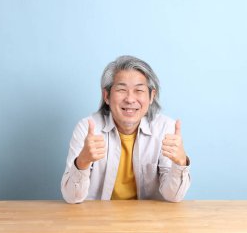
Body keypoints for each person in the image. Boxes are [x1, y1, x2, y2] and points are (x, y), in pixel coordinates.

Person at [61, 55, 191, 203]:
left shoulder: (165, 129)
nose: (130, 99)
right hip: (98, 221)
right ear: (107, 96)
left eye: (139, 90)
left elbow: (173, 197)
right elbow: (71, 198)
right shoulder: (87, 129)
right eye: (122, 89)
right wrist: (83, 161)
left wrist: (180, 162)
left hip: (149, 221)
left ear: (151, 96)